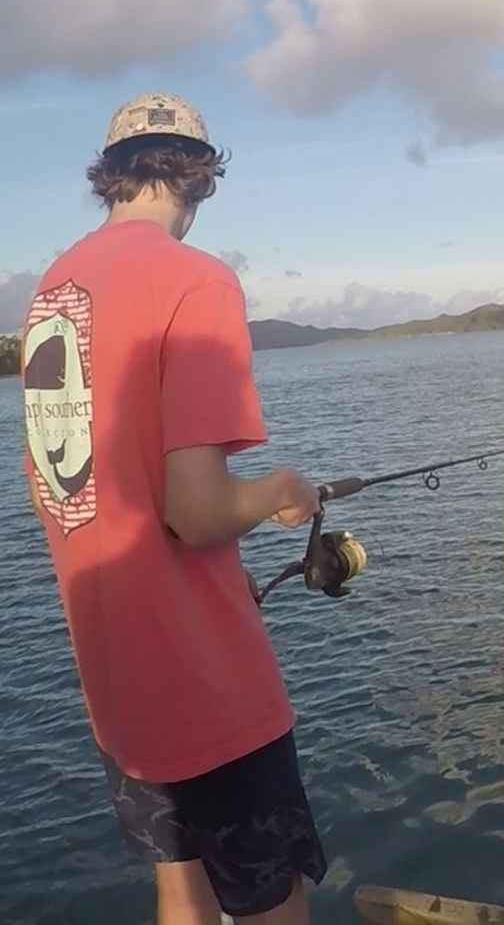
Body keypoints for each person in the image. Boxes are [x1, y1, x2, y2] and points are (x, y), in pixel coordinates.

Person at [21, 94, 328, 924]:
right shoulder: (196, 280)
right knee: (271, 904)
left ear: (111, 177)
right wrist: (278, 494)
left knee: (181, 893)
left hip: (116, 694)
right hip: (207, 686)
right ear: (200, 176)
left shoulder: (51, 296)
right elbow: (194, 511)